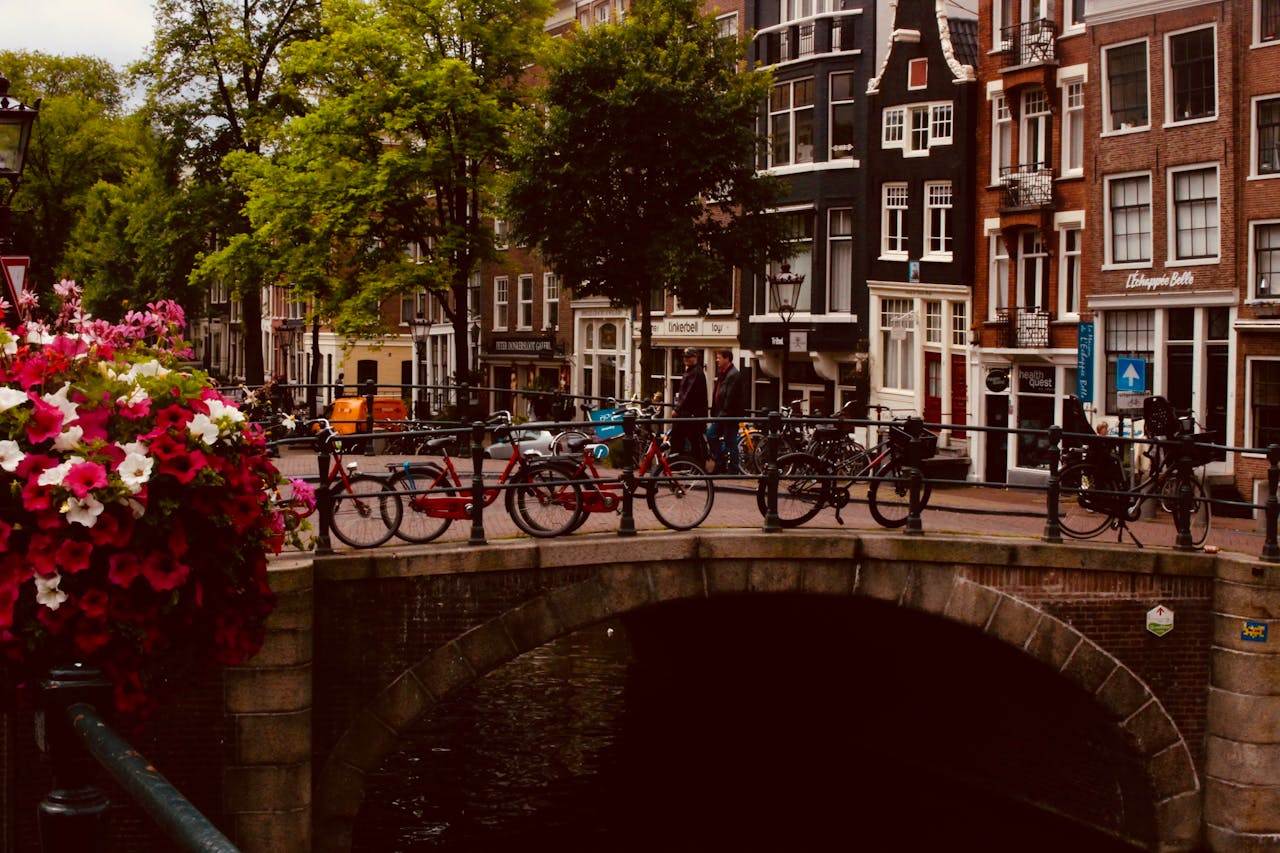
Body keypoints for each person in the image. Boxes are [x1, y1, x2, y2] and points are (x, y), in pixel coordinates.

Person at [707, 349, 746, 474]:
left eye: (719, 358)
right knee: (712, 435)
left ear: (727, 359)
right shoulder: (724, 373)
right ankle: (720, 463)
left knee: (730, 441)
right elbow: (719, 392)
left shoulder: (734, 375)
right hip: (722, 414)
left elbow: (730, 397)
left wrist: (723, 413)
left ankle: (733, 468)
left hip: (729, 415)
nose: (717, 360)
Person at [670, 347, 708, 464]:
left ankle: (677, 464)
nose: (685, 359)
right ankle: (691, 465)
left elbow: (688, 393)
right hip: (689, 413)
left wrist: (677, 409)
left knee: (679, 438)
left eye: (688, 357)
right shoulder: (691, 371)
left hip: (690, 414)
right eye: (684, 357)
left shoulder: (695, 373)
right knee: (691, 440)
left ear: (695, 358)